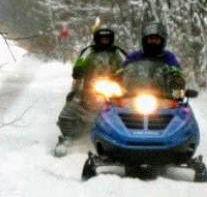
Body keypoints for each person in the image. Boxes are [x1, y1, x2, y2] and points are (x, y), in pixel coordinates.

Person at [54, 25, 127, 155]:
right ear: (97, 39)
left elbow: (128, 65)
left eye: (107, 38)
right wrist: (78, 69)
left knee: (127, 110)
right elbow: (80, 62)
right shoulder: (89, 51)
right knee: (71, 108)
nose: (104, 41)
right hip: (90, 89)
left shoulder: (117, 52)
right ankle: (68, 136)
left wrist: (124, 75)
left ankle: (126, 138)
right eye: (102, 38)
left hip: (114, 90)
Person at [122, 21, 186, 95]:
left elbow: (177, 73)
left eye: (156, 39)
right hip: (135, 95)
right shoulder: (134, 56)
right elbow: (123, 71)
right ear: (145, 40)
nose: (153, 42)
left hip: (164, 97)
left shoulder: (168, 57)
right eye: (151, 39)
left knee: (181, 100)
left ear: (162, 41)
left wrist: (179, 91)